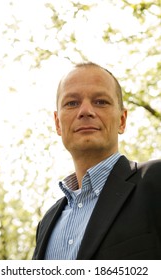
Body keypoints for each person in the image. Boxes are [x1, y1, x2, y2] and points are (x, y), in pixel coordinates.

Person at [32, 62, 161, 260]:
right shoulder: (46, 223)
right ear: (58, 123)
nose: (85, 111)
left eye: (100, 102)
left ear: (122, 120)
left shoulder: (155, 182)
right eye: (72, 103)